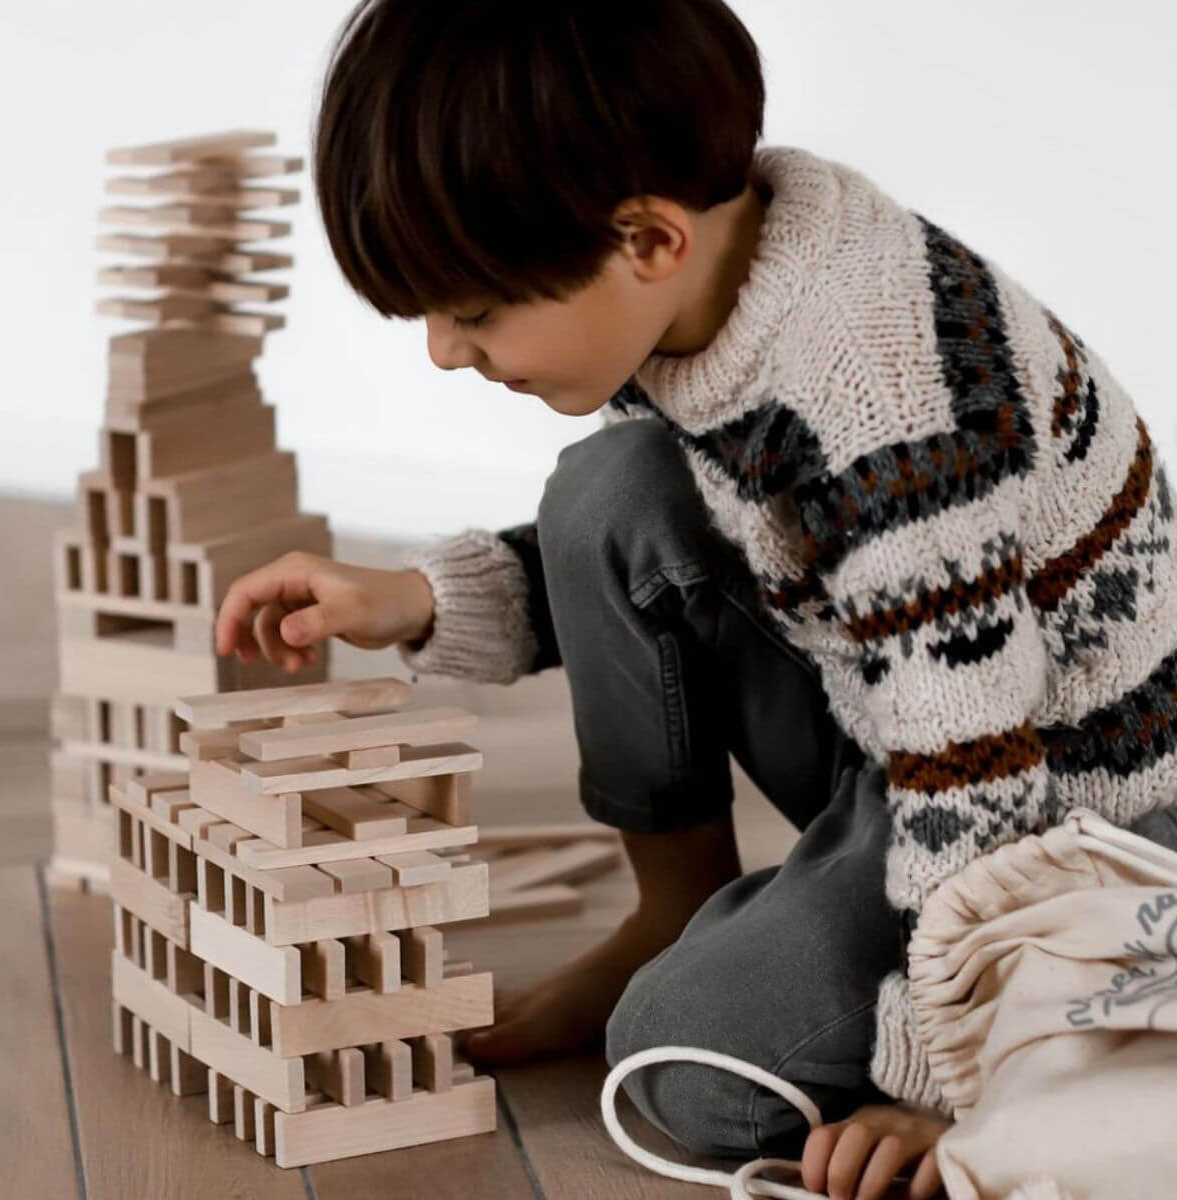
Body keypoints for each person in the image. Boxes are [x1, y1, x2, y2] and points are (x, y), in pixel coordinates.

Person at [213, 3, 1177, 1197]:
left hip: (1058, 807)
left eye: (473, 311)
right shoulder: (705, 289)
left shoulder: (887, 412)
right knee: (606, 489)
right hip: (899, 718)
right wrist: (410, 600)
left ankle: (1056, 1015)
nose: (444, 354)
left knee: (688, 1066)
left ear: (647, 239)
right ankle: (678, 912)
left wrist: (949, 1080)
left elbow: (974, 771)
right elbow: (671, 550)